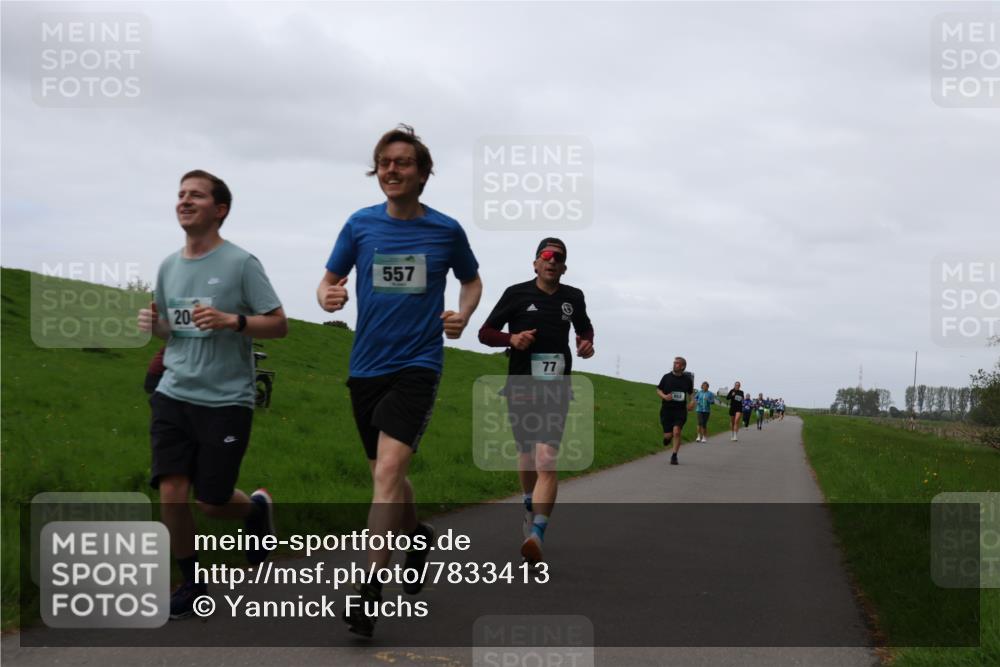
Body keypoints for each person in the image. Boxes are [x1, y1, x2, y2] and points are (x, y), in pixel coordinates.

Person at [318, 124, 482, 637]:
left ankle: (367, 589)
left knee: (388, 471)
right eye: (384, 162)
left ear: (423, 173)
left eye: (402, 162)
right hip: (366, 366)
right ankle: (415, 537)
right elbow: (328, 281)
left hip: (418, 364)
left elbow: (471, 279)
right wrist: (328, 296)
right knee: (386, 476)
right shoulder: (360, 225)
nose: (391, 170)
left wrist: (462, 313)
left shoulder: (446, 231)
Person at [137, 170, 287, 619]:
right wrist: (155, 326)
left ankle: (256, 510)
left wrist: (232, 321)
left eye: (196, 196)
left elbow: (279, 324)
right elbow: (170, 327)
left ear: (219, 210)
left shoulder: (241, 264)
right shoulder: (168, 266)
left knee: (212, 500)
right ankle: (190, 581)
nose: (184, 201)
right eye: (181, 194)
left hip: (225, 399)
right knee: (171, 493)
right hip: (174, 391)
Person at [478, 238, 594, 564]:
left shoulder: (574, 297)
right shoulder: (516, 294)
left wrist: (587, 344)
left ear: (564, 266)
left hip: (556, 387)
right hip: (521, 385)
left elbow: (585, 329)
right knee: (527, 454)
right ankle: (528, 503)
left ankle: (537, 535)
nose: (551, 261)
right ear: (535, 263)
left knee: (546, 458)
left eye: (558, 257)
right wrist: (511, 339)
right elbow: (485, 332)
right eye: (546, 255)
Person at [656, 357, 695, 465]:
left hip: (680, 410)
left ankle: (674, 456)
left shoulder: (687, 379)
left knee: (677, 431)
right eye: (674, 363)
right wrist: (664, 396)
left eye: (677, 363)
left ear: (682, 366)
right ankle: (668, 438)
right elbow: (658, 389)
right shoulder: (666, 377)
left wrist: (692, 402)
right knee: (668, 436)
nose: (675, 364)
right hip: (667, 410)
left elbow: (691, 393)